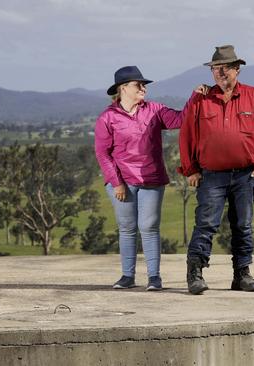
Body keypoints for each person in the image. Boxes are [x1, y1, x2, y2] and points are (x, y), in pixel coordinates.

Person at [178, 45, 254, 295]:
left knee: (243, 225)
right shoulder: (201, 99)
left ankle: (242, 275)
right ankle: (195, 274)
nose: (220, 72)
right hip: (211, 175)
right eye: (216, 68)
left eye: (225, 68)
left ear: (237, 69)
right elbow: (187, 134)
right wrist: (190, 169)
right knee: (205, 224)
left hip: (246, 174)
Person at [95, 65, 204, 291]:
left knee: (149, 227)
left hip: (151, 179)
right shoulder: (107, 117)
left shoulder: (155, 110)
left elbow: (180, 119)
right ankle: (127, 276)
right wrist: (116, 183)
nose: (143, 88)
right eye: (139, 84)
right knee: (126, 228)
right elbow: (103, 154)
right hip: (122, 182)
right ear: (123, 88)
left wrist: (194, 96)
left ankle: (154, 278)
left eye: (144, 85)